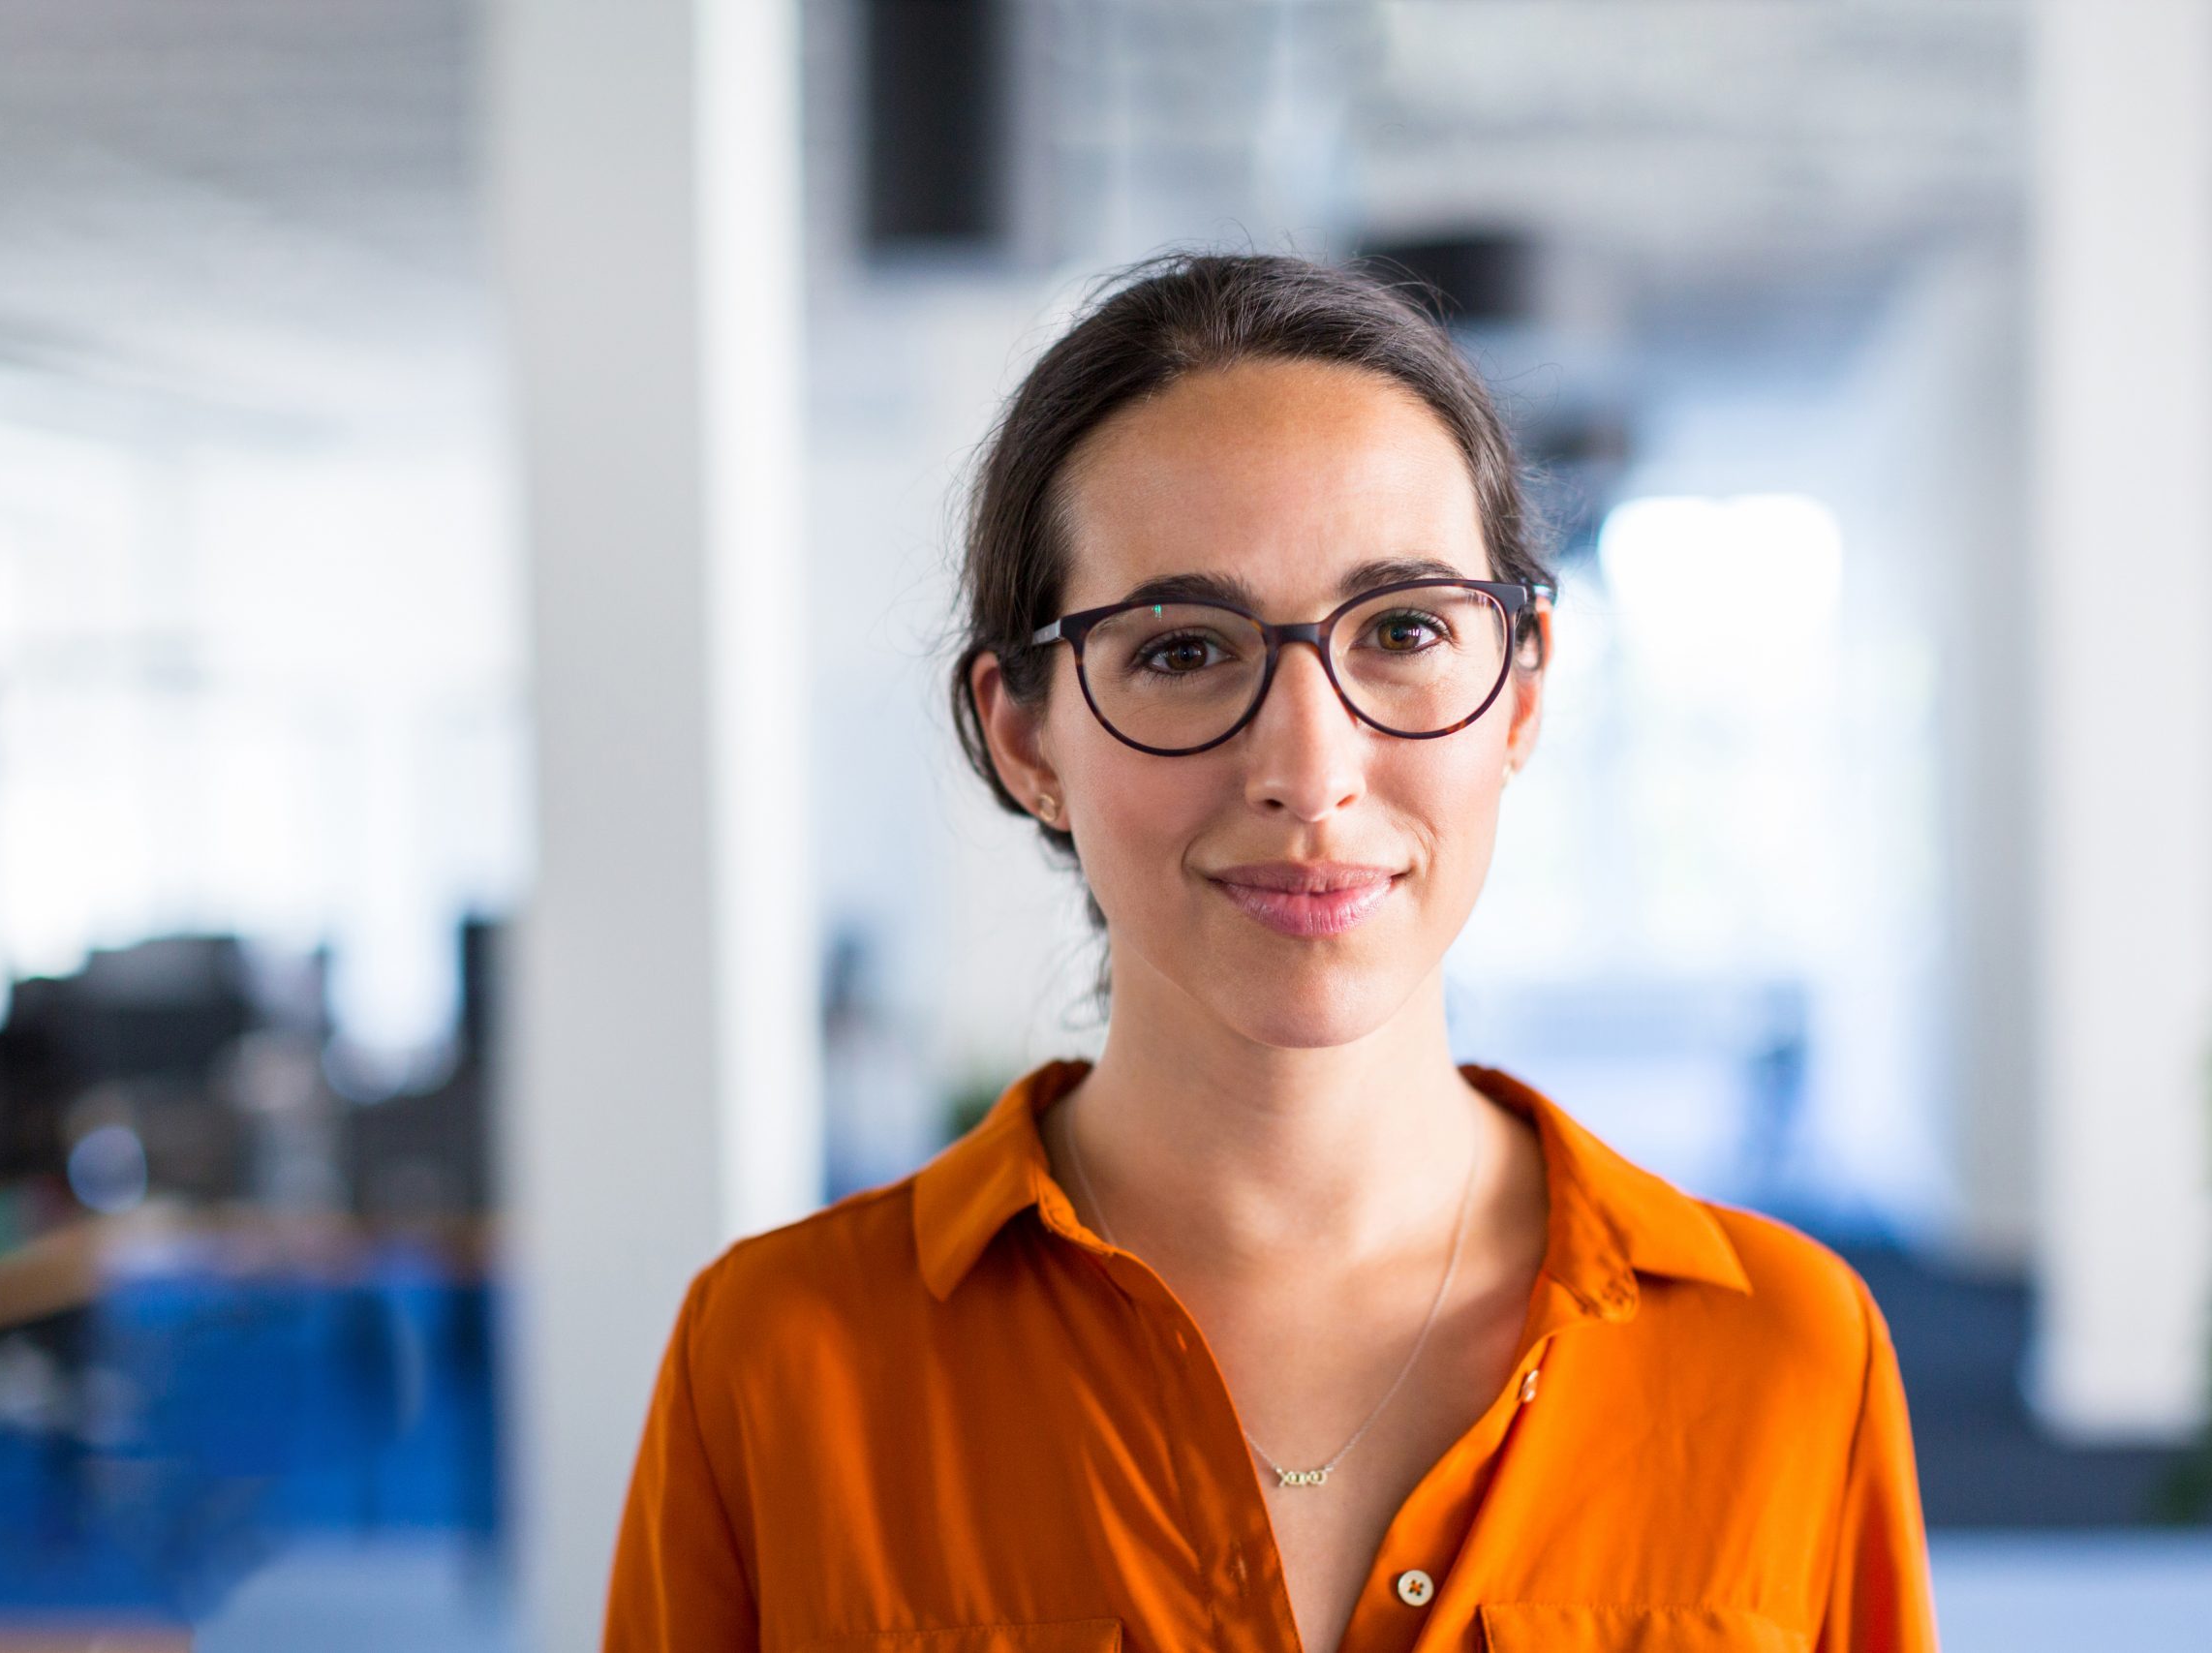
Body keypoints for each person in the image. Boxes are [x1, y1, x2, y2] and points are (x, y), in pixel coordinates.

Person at [603, 252, 1939, 1653]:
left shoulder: (1787, 1353)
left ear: (1521, 694)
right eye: (1183, 651)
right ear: (1024, 736)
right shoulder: (780, 1361)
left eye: (1406, 631)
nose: (1310, 771)